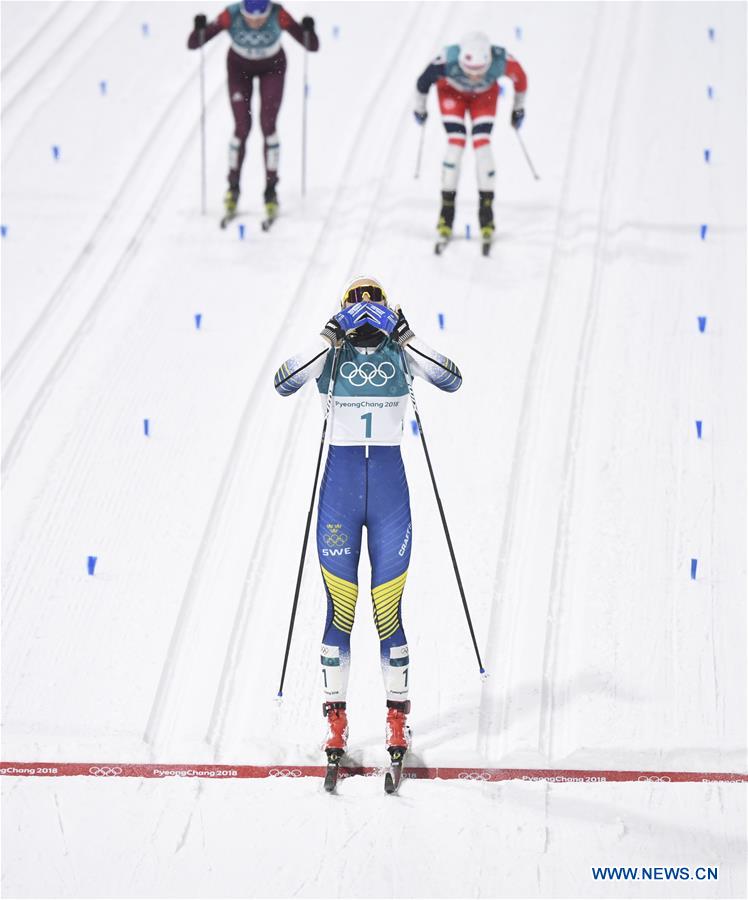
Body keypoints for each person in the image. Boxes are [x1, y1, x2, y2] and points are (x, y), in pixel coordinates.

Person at [273, 277, 462, 759]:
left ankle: (397, 723)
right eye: (354, 306)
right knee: (341, 611)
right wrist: (328, 335)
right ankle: (336, 725)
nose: (363, 313)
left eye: (371, 303)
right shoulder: (330, 356)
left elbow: (452, 379)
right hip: (349, 500)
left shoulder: (401, 354)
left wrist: (405, 336)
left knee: (386, 613)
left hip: (384, 502)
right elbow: (283, 382)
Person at [187, 0, 319, 222]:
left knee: (268, 126)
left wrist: (308, 31)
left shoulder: (279, 15)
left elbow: (311, 45)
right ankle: (233, 189)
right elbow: (194, 43)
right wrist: (199, 29)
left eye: (261, 16)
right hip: (239, 68)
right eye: (250, 16)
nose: (255, 21)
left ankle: (270, 191)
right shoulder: (231, 15)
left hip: (272, 67)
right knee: (242, 128)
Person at [413, 31, 527, 243]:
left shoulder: (501, 60)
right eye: (469, 71)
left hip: (484, 97)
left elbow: (521, 80)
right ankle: (446, 213)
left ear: (489, 61)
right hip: (451, 93)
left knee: (482, 143)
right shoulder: (447, 59)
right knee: (456, 143)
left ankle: (486, 213)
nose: (474, 77)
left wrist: (518, 109)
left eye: (480, 71)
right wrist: (420, 109)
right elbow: (422, 83)